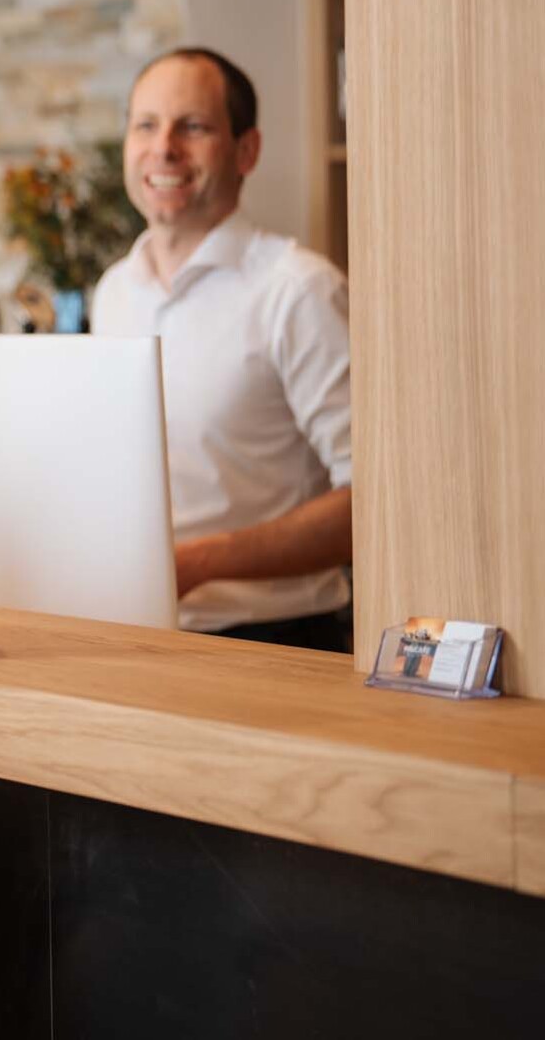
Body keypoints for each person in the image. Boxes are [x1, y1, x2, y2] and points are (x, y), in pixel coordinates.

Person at [91, 47, 355, 651]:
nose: (164, 148)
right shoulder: (113, 291)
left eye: (195, 126)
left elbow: (372, 503)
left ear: (246, 151)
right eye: (146, 125)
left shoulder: (299, 291)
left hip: (277, 643)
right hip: (134, 637)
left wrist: (199, 563)